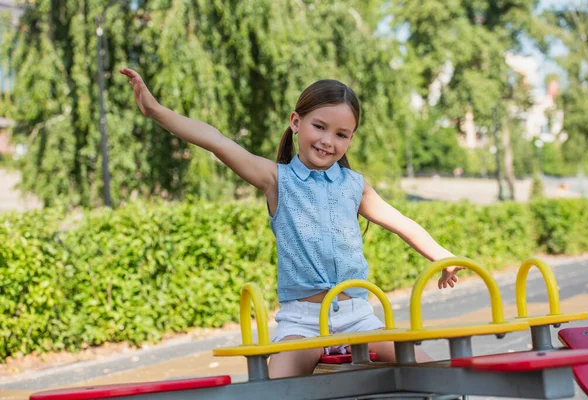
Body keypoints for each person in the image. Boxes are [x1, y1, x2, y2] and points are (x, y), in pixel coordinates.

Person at [120, 68, 462, 378]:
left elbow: (402, 222)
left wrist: (441, 255)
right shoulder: (276, 179)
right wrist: (155, 110)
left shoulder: (354, 186)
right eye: (319, 127)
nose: (329, 141)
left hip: (357, 315)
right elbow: (217, 141)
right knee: (275, 383)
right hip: (303, 321)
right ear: (296, 122)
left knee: (428, 367)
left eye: (342, 134)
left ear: (351, 139)